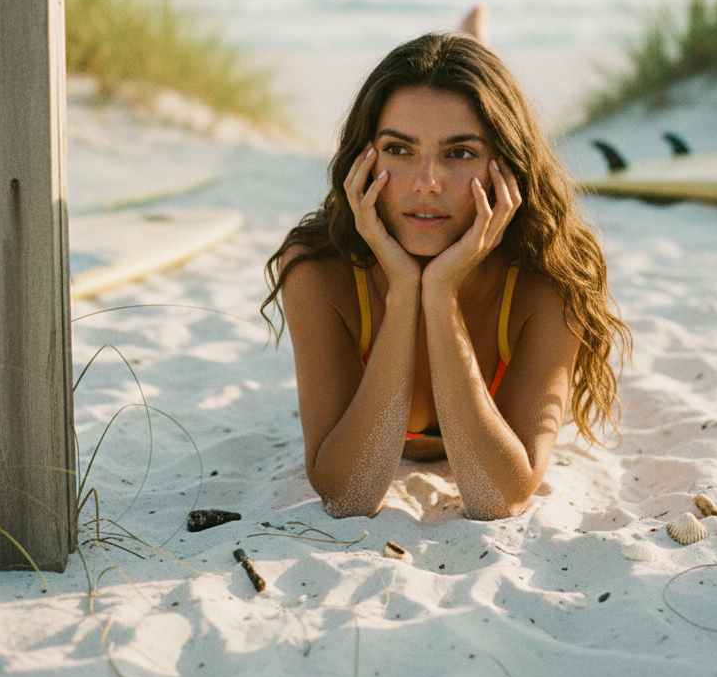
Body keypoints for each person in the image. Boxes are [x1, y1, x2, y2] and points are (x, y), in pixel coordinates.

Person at [262, 33, 628, 520]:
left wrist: (440, 294)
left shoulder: (550, 276)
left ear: (504, 167)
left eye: (459, 153)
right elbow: (348, 496)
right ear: (363, 161)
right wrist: (402, 295)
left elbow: (499, 496)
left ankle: (474, 31)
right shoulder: (319, 272)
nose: (426, 183)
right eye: (399, 149)